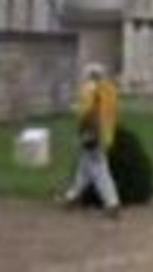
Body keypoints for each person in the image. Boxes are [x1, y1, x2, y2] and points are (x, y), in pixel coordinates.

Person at [59, 63, 121, 218]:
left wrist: (75, 110)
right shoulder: (110, 90)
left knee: (99, 171)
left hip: (93, 135)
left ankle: (112, 203)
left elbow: (88, 112)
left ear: (91, 75)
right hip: (105, 135)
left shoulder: (92, 89)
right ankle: (71, 197)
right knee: (84, 170)